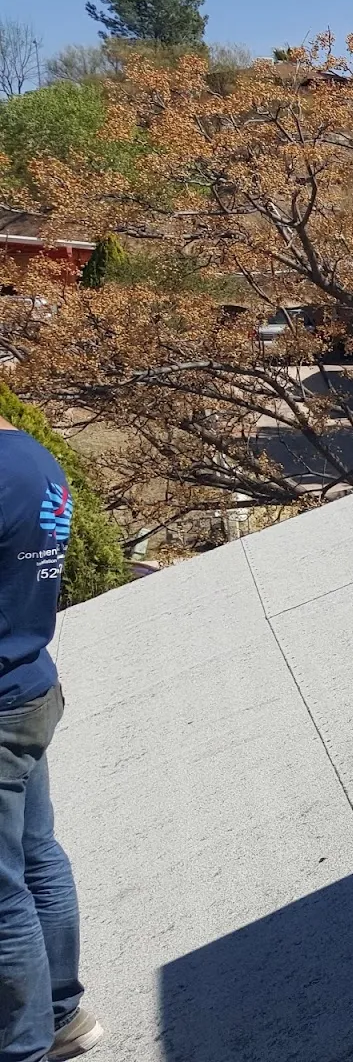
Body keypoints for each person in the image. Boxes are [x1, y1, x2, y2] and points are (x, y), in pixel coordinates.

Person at [0, 414, 101, 1059]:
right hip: (30, 682)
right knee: (37, 855)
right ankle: (61, 1016)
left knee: (2, 896)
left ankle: (25, 1049)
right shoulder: (35, 461)